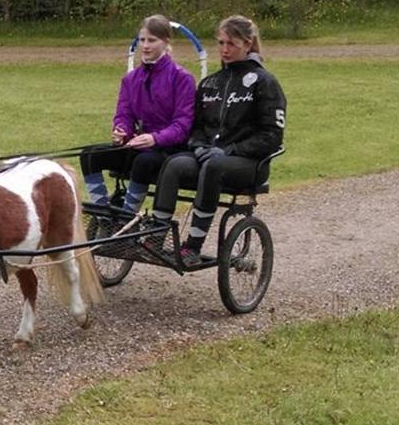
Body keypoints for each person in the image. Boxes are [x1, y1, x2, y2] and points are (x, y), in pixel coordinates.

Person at [143, 15, 286, 264]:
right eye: (221, 43)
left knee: (214, 165)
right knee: (175, 164)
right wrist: (198, 146)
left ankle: (192, 247)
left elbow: (272, 137)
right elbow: (196, 128)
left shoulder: (265, 82)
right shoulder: (210, 83)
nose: (224, 50)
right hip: (209, 157)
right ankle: (155, 238)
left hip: (249, 164)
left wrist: (230, 150)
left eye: (231, 44)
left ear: (248, 44)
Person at [80, 14, 196, 216]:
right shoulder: (130, 79)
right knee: (89, 155)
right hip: (138, 145)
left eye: (152, 40)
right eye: (142, 40)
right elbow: (123, 115)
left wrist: (154, 138)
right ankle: (103, 215)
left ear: (166, 42)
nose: (146, 46)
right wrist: (121, 131)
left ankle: (126, 219)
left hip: (169, 150)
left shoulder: (182, 78)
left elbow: (183, 125)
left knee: (143, 161)